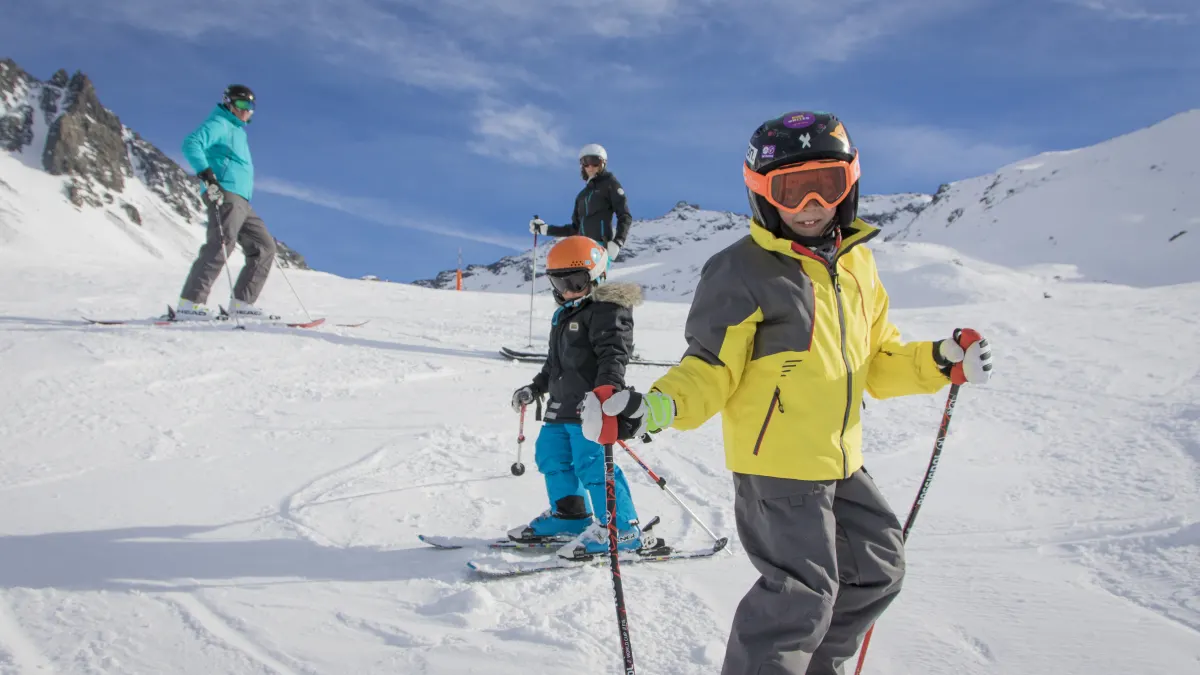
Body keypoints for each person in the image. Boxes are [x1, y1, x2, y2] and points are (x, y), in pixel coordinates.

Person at [578, 111, 994, 675]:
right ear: (762, 195)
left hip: (841, 459)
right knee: (800, 597)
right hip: (776, 467)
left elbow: (878, 360)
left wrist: (940, 361)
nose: (811, 205)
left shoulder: (858, 264)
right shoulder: (740, 270)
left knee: (877, 569)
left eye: (826, 185)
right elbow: (709, 367)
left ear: (849, 185)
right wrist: (651, 408)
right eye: (791, 191)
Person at [508, 235, 651, 559]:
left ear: (597, 276)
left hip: (590, 408)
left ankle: (622, 530)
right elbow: (553, 365)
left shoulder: (608, 308)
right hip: (560, 408)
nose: (568, 291)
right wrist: (535, 388)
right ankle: (570, 517)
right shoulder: (563, 315)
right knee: (551, 458)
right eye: (559, 283)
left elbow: (614, 354)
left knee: (593, 465)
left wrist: (607, 392)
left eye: (575, 282)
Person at [175, 84, 276, 320]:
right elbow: (191, 143)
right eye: (241, 103)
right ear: (228, 103)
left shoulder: (237, 131)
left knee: (264, 246)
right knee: (221, 243)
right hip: (225, 192)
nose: (245, 110)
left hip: (242, 199)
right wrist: (207, 175)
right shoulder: (220, 123)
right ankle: (191, 303)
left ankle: (242, 303)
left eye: (250, 106)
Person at [529, 144, 633, 263]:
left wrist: (618, 241)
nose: (590, 167)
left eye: (595, 162)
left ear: (603, 163)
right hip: (581, 249)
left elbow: (625, 215)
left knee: (591, 275)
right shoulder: (582, 196)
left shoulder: (610, 184)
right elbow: (574, 229)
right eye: (586, 162)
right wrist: (545, 229)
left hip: (599, 248)